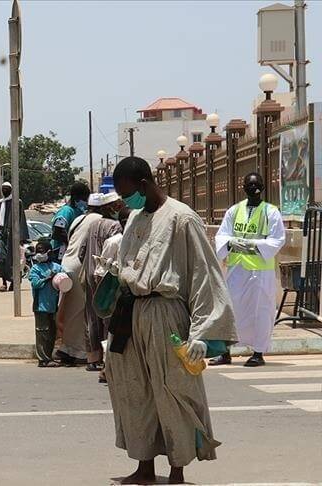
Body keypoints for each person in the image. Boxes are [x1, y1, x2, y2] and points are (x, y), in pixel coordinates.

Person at [107, 156, 237, 485]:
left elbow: (204, 276)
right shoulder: (135, 217)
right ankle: (145, 466)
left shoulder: (182, 218)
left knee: (173, 391)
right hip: (131, 313)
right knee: (136, 391)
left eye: (127, 194)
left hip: (166, 315)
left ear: (145, 184)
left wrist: (202, 332)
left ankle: (177, 469)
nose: (125, 201)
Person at [211, 172, 285, 367]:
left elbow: (277, 239)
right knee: (231, 310)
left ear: (263, 186)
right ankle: (225, 351)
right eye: (249, 185)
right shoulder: (234, 211)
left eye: (256, 184)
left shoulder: (271, 212)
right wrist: (237, 244)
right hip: (237, 269)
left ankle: (258, 352)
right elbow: (222, 237)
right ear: (243, 187)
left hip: (261, 272)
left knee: (261, 310)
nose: (253, 188)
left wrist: (247, 244)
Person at [54, 192, 104, 367]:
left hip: (66, 263)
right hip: (80, 266)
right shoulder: (99, 220)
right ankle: (77, 350)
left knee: (67, 309)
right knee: (80, 310)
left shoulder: (79, 218)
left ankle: (66, 346)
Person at [80, 193, 124, 373]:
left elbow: (82, 251)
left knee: (91, 316)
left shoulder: (92, 225)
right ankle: (107, 358)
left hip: (90, 273)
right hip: (107, 274)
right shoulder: (114, 226)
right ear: (111, 208)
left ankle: (92, 357)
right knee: (107, 316)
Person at [28, 240, 64, 367]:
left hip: (53, 306)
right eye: (37, 251)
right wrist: (48, 278)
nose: (39, 254)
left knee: (52, 333)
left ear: (49, 252)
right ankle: (43, 359)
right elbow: (35, 283)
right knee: (42, 333)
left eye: (42, 251)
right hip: (40, 306)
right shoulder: (35, 269)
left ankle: (49, 357)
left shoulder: (57, 267)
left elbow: (64, 280)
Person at [0, 182, 29, 291]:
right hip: (0, 232)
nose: (5, 190)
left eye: (7, 188)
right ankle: (3, 282)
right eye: (3, 188)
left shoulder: (17, 202)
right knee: (0, 259)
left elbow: (21, 220)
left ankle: (14, 282)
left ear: (11, 190)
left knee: (13, 259)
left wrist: (21, 238)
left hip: (12, 234)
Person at [51, 182, 91, 261]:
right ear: (76, 197)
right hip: (60, 252)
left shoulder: (78, 211)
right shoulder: (66, 211)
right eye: (84, 199)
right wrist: (71, 243)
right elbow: (57, 232)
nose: (86, 201)